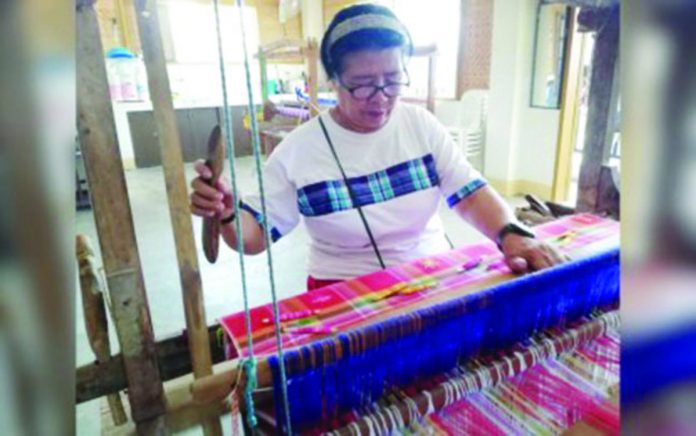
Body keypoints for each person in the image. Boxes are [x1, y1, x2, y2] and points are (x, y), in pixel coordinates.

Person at [190, 3, 567, 291]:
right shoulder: (298, 150)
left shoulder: (420, 125)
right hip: (343, 289)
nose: (381, 97)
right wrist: (225, 213)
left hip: (432, 275)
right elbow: (254, 236)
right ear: (333, 81)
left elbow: (468, 193)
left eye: (392, 79)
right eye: (364, 83)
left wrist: (511, 233)